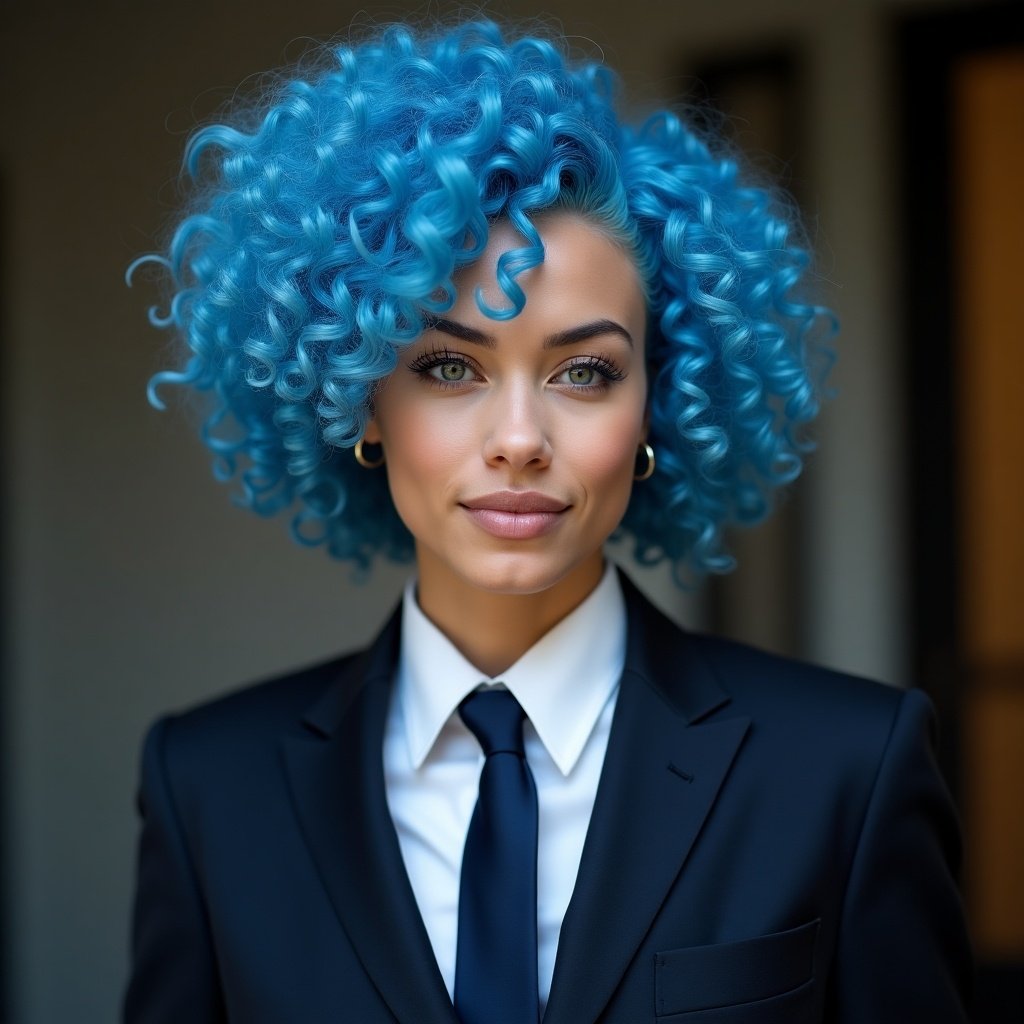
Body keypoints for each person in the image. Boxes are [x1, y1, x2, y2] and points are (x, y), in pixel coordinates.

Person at [123, 18, 972, 1024]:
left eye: (585, 371)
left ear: (657, 401)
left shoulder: (844, 768)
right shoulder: (209, 786)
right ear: (359, 400)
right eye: (448, 366)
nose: (519, 437)